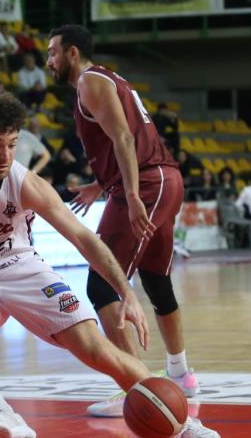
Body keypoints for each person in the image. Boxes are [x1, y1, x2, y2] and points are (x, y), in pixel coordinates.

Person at [0, 92, 219, 438]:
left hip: (23, 271)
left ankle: (184, 427)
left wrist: (125, 290)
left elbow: (83, 238)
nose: (5, 155)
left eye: (12, 144)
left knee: (97, 349)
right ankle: (5, 414)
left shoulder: (25, 182)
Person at [43, 24, 199, 418]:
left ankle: (140, 387)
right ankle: (181, 375)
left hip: (147, 182)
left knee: (102, 283)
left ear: (73, 53)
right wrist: (101, 183)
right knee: (156, 280)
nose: (49, 61)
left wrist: (129, 194)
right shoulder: (109, 78)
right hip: (164, 179)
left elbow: (126, 139)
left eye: (53, 53)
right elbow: (122, 140)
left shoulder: (90, 83)